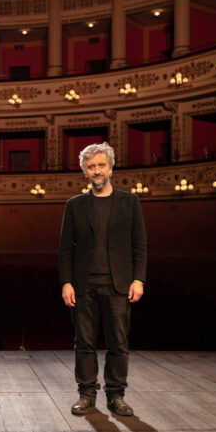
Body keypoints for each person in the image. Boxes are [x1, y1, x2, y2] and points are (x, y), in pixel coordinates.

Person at [58, 143, 147, 417]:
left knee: (118, 343)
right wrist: (66, 282)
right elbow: (65, 248)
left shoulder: (130, 202)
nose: (97, 170)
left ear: (111, 168)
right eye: (91, 166)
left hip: (119, 284)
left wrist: (138, 280)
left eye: (101, 165)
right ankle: (86, 394)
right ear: (85, 171)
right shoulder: (74, 205)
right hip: (83, 285)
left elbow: (139, 245)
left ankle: (116, 395)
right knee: (84, 343)